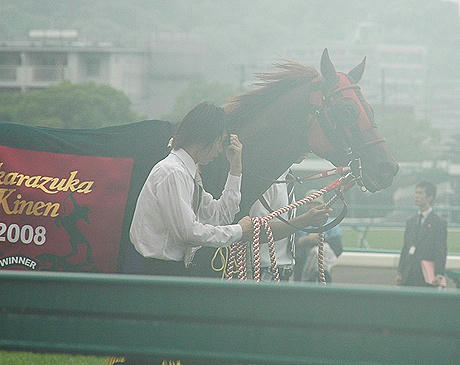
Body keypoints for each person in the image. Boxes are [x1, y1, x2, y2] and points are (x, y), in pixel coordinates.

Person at [129, 102, 253, 277]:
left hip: (167, 269)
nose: (220, 149)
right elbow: (187, 233)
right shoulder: (173, 172)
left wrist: (236, 169)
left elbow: (221, 216)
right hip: (158, 270)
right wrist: (239, 231)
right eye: (220, 141)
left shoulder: (186, 173)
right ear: (205, 138)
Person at [247, 171, 332, 282]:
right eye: (311, 203)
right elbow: (255, 231)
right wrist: (306, 220)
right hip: (263, 270)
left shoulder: (287, 180)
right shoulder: (268, 182)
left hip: (282, 269)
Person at [397, 180, 448, 288]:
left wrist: (439, 274)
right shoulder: (411, 221)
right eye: (416, 193)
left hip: (426, 277)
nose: (416, 196)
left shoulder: (439, 223)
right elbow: (405, 248)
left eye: (420, 193)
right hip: (408, 275)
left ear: (430, 197)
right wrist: (400, 272)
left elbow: (440, 250)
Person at [294, 191, 343, 283]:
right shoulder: (298, 222)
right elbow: (290, 246)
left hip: (324, 266)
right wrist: (307, 240)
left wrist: (321, 240)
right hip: (301, 264)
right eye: (310, 203)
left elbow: (338, 248)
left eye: (316, 203)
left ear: (323, 205)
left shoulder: (331, 223)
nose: (313, 206)